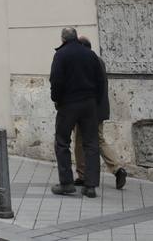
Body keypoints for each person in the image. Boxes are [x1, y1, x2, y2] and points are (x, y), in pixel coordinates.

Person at [49, 26, 103, 198]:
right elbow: (100, 80)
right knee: (91, 144)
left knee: (62, 142)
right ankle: (91, 185)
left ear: (63, 39)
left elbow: (56, 80)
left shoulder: (61, 55)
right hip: (89, 103)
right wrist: (96, 101)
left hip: (68, 104)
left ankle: (66, 183)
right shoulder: (90, 54)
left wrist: (56, 99)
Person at [72, 37, 127, 190]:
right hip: (99, 108)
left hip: (87, 108)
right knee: (99, 139)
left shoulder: (86, 62)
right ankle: (117, 169)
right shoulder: (98, 60)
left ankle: (84, 174)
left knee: (79, 140)